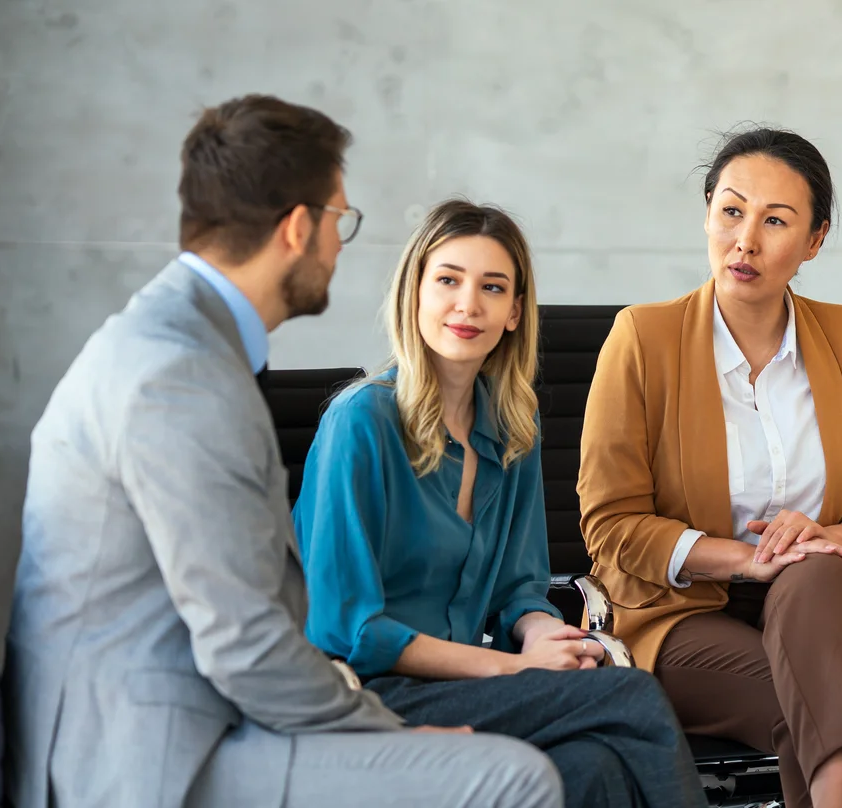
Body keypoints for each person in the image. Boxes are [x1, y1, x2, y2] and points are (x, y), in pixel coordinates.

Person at [2, 95, 563, 808]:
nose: (339, 246)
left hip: (201, 714)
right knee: (515, 777)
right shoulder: (181, 378)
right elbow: (247, 645)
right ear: (301, 228)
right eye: (341, 221)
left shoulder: (177, 341)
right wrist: (380, 730)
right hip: (147, 756)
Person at [292, 199, 706, 808]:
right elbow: (349, 630)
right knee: (631, 697)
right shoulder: (362, 423)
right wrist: (516, 669)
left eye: (492, 287)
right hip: (361, 694)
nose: (468, 305)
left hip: (461, 685)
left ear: (515, 312)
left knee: (591, 767)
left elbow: (519, 586)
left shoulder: (513, 425)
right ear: (414, 294)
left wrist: (543, 636)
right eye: (448, 281)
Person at [578, 127, 842, 808]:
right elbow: (610, 524)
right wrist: (744, 559)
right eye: (732, 211)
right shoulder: (642, 339)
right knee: (824, 693)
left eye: (776, 221)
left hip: (821, 608)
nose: (746, 240)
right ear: (707, 214)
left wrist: (837, 538)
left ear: (816, 241)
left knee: (818, 574)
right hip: (678, 618)